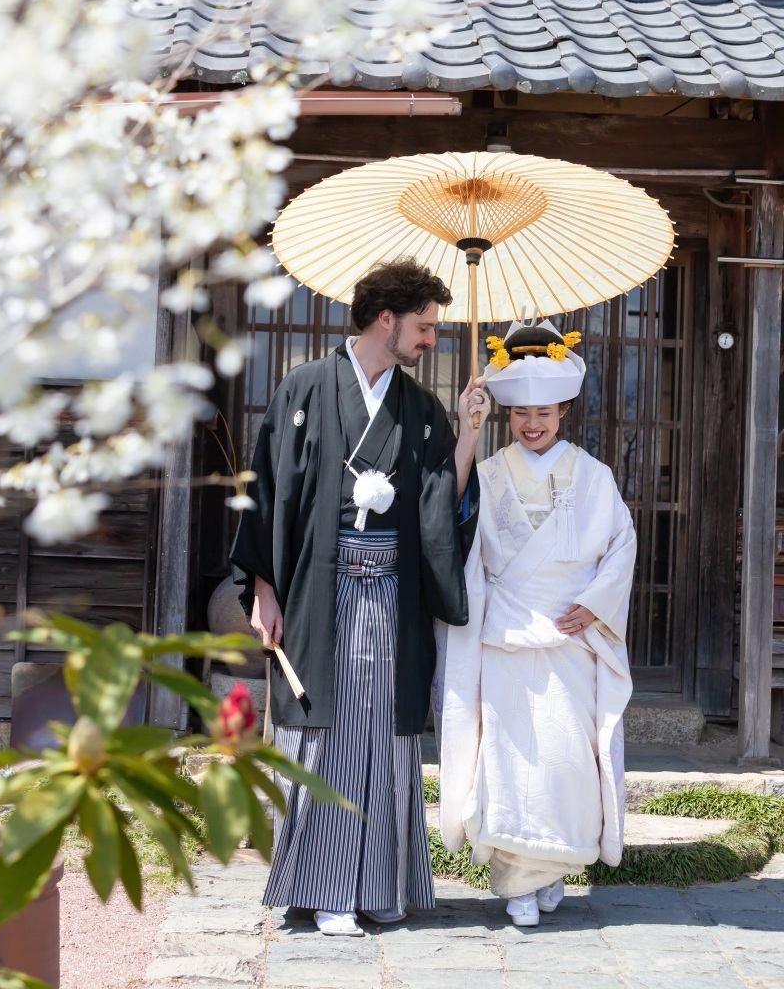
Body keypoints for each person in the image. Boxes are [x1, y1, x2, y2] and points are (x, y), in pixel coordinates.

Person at [231, 257, 490, 936]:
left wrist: (468, 434)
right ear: (387, 319)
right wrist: (263, 587)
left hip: (393, 595)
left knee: (385, 737)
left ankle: (377, 884)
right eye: (426, 327)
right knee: (327, 732)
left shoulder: (421, 409)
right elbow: (267, 492)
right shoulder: (304, 390)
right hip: (320, 590)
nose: (432, 340)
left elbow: (440, 503)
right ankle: (326, 891)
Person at [434, 318, 635, 927]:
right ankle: (519, 881)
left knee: (565, 758)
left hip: (569, 635)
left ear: (565, 410)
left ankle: (552, 870)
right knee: (511, 759)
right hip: (506, 634)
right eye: (521, 413)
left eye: (544, 412)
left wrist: (598, 603)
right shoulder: (490, 471)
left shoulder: (593, 476)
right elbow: (453, 515)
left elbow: (621, 544)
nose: (532, 424)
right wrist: (467, 434)